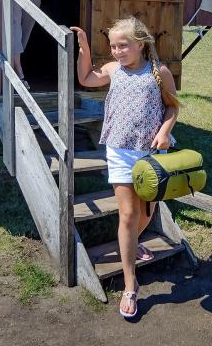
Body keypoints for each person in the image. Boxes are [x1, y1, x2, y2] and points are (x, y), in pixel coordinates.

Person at [70, 17, 180, 319]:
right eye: (113, 46)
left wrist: (165, 131)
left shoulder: (159, 74)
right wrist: (84, 49)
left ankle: (130, 243)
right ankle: (131, 284)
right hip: (119, 151)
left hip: (150, 153)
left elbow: (173, 106)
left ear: (141, 44)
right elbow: (87, 79)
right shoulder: (113, 70)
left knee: (147, 212)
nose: (117, 52)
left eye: (123, 46)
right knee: (129, 214)